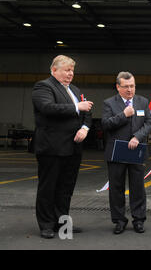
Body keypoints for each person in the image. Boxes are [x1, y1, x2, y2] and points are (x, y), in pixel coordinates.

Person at [32, 55, 93, 238]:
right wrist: (77, 107)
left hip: (73, 148)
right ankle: (46, 225)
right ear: (54, 70)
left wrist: (84, 127)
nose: (70, 74)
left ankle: (62, 223)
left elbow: (88, 111)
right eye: (66, 70)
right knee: (48, 187)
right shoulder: (43, 87)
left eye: (72, 70)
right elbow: (48, 108)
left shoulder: (74, 89)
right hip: (51, 148)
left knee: (66, 188)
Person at [102, 71, 151, 234]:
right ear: (118, 87)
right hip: (117, 152)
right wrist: (123, 115)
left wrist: (138, 137)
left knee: (138, 187)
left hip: (136, 150)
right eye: (126, 87)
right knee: (116, 188)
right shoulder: (109, 103)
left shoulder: (142, 102)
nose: (130, 90)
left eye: (132, 86)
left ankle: (138, 220)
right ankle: (119, 221)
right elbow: (106, 124)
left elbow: (149, 122)